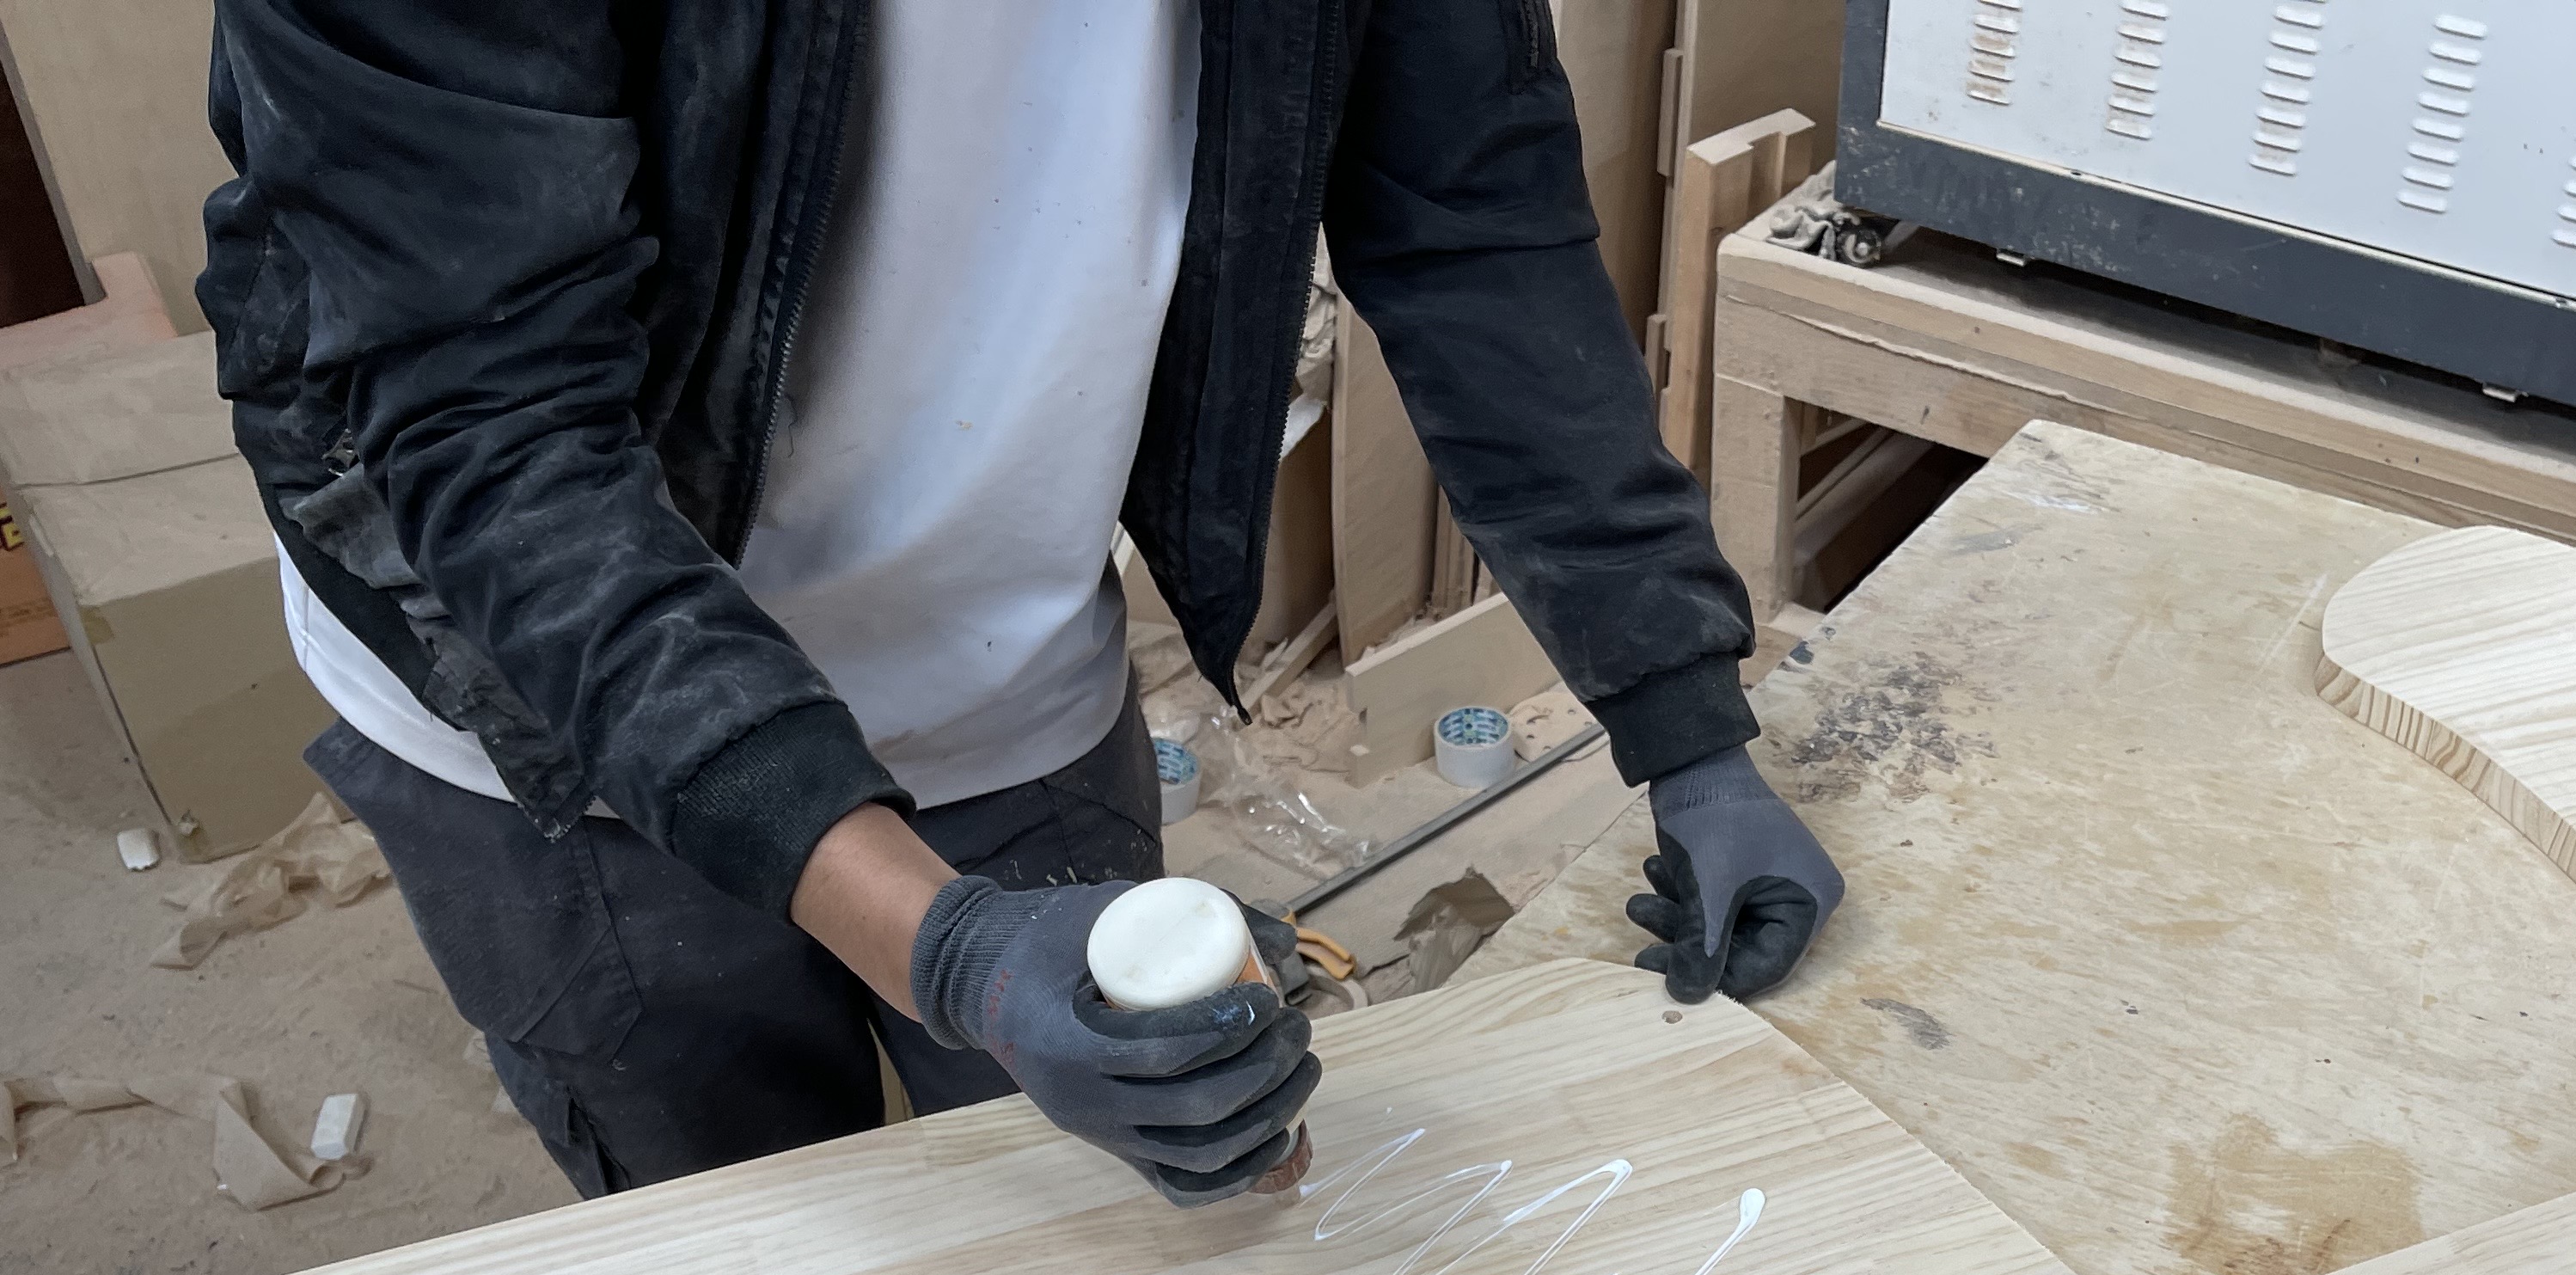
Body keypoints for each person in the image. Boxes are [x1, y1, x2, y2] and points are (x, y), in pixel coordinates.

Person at [199, 0, 1846, 1205]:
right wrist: (957, 954)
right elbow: (496, 434)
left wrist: (1684, 723)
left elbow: (1469, 214)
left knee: (1140, 1246)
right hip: (546, 700)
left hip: (1001, 652)